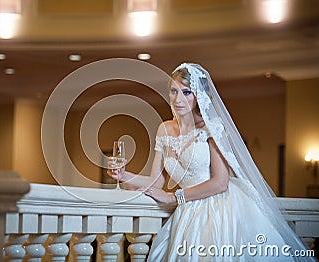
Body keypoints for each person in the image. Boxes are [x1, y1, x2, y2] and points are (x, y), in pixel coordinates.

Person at [108, 63, 315, 261]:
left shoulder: (212, 128)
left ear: (199, 96)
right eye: (173, 91)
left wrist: (174, 198)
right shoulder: (165, 130)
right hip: (187, 212)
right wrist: (124, 174)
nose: (178, 99)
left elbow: (220, 183)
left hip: (219, 208)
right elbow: (156, 182)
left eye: (186, 92)